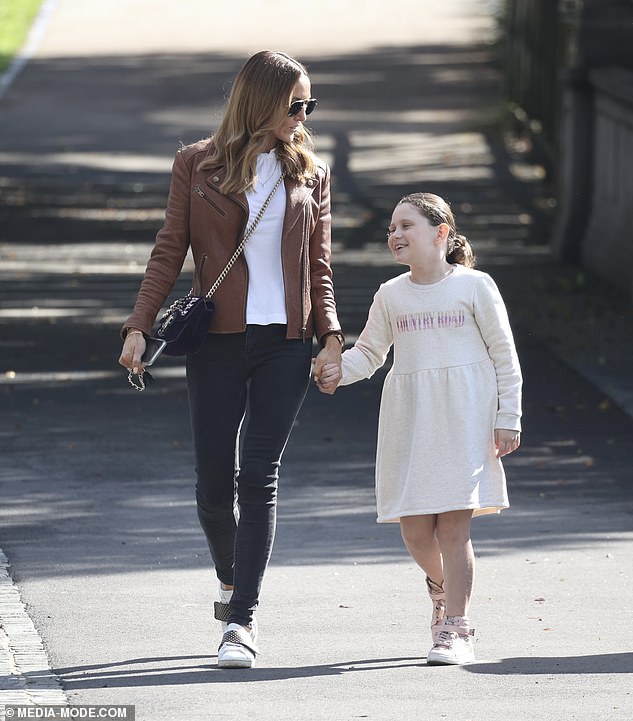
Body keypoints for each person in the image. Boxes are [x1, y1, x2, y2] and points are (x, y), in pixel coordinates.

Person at [118, 50, 344, 669]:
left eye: (309, 105)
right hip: (216, 341)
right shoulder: (196, 164)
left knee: (258, 477)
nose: (304, 116)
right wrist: (139, 325)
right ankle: (229, 579)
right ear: (261, 102)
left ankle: (240, 620)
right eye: (296, 104)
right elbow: (170, 250)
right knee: (215, 487)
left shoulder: (312, 174)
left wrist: (330, 336)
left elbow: (318, 268)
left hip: (287, 346)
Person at [316, 192, 522, 665]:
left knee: (453, 527)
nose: (395, 235)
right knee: (414, 532)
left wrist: (508, 416)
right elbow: (368, 355)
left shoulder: (476, 286)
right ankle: (442, 588)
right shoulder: (390, 294)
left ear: (441, 233)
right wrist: (334, 371)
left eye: (406, 226)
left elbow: (504, 356)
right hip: (411, 421)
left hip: (466, 419)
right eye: (391, 228)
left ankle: (456, 627)